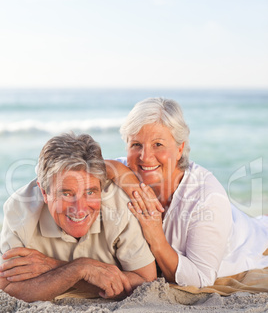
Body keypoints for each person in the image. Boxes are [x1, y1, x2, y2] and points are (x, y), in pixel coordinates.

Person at [106, 97, 268, 288]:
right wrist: (120, 172)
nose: (145, 156)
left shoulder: (206, 196)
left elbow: (201, 278)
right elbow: (85, 167)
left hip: (252, 241)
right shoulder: (127, 171)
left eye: (158, 144)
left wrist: (155, 236)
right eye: (136, 145)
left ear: (180, 148)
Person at [0, 133, 156, 302]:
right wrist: (79, 269)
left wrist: (55, 267)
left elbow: (146, 282)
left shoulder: (118, 205)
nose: (79, 209)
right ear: (44, 192)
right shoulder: (19, 210)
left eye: (90, 192)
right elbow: (8, 288)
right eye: (66, 193)